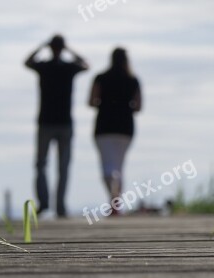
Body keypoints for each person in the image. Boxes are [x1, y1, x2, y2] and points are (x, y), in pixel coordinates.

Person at [25, 35, 89, 217]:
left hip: (46, 122)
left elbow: (27, 62)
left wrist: (40, 46)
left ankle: (46, 204)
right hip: (62, 123)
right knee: (62, 167)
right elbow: (85, 64)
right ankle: (59, 206)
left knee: (41, 165)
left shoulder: (44, 67)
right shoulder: (68, 67)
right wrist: (70, 49)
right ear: (61, 48)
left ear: (51, 48)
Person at [89, 48, 143, 215]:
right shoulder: (132, 80)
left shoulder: (100, 78)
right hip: (125, 127)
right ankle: (116, 200)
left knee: (107, 165)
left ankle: (113, 196)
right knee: (119, 165)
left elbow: (91, 101)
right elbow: (139, 106)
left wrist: (105, 104)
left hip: (104, 126)